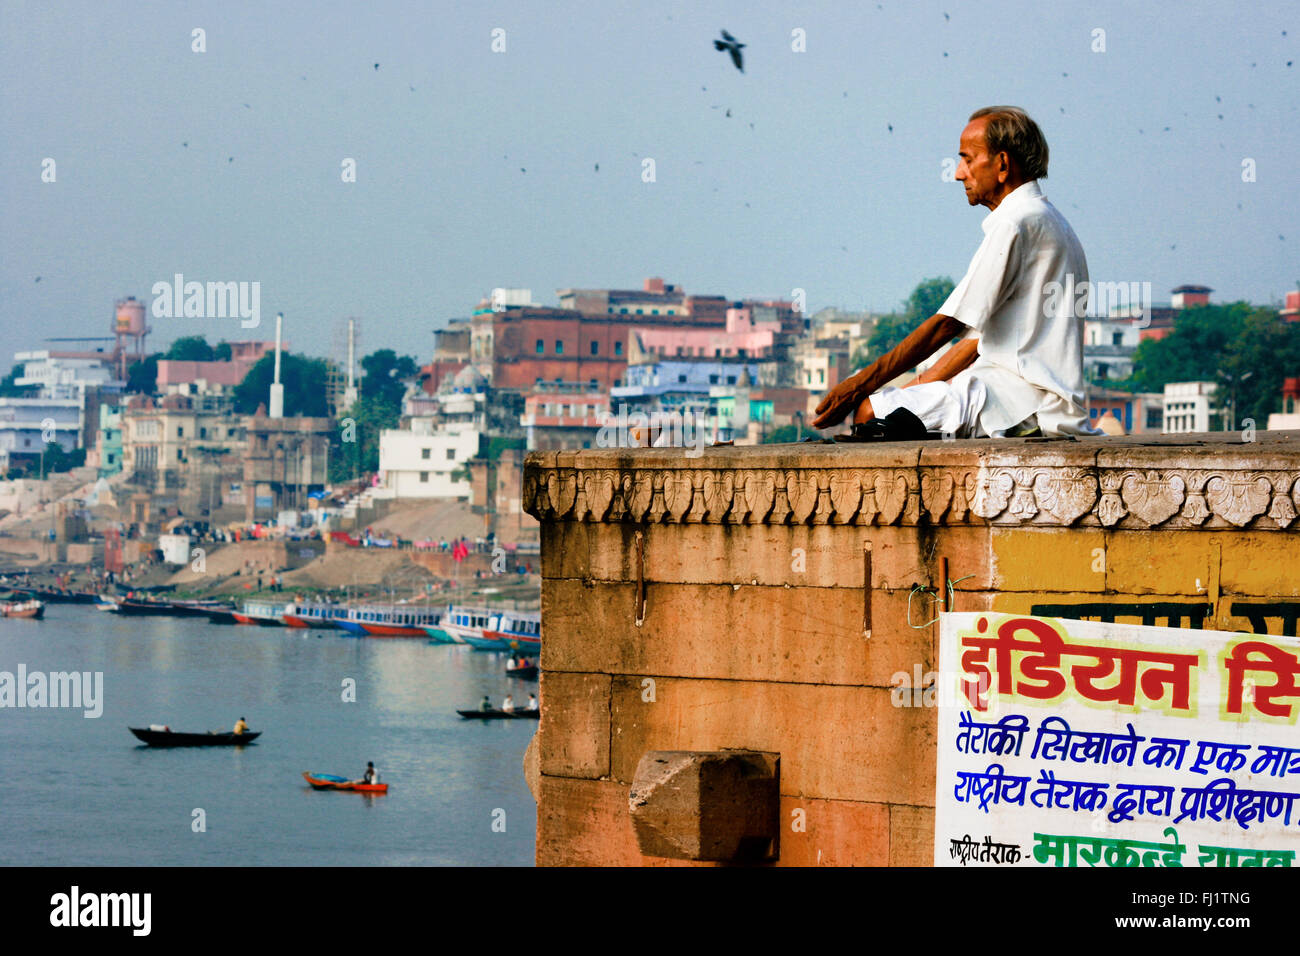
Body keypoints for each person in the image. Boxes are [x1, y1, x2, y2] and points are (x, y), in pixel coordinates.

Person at [812, 106, 1102, 441]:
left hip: (1020, 402)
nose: (958, 173)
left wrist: (858, 385)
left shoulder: (1017, 222)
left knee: (869, 412)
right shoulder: (1047, 219)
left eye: (967, 159)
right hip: (1018, 396)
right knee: (883, 409)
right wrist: (915, 389)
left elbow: (948, 324)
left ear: (1003, 165)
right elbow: (976, 340)